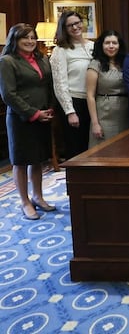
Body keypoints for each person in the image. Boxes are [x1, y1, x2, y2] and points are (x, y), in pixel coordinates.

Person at [0, 23, 56, 220]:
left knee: (38, 159)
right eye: (25, 37)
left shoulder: (41, 58)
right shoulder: (7, 61)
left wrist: (48, 109)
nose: (30, 41)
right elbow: (8, 94)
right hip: (20, 119)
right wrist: (33, 113)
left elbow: (48, 85)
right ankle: (25, 202)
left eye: (33, 37)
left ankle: (38, 197)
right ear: (14, 39)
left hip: (42, 116)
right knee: (21, 161)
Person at [50, 10, 94, 159]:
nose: (75, 27)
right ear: (64, 28)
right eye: (70, 25)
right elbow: (60, 84)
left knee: (93, 147)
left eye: (77, 23)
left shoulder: (93, 46)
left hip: (94, 102)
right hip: (75, 103)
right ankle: (77, 181)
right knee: (77, 149)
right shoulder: (60, 50)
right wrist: (70, 111)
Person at [86, 30, 129, 147]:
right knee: (105, 150)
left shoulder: (126, 63)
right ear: (101, 45)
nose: (111, 46)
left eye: (114, 43)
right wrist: (95, 123)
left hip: (125, 113)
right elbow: (90, 96)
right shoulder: (95, 64)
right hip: (105, 115)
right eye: (107, 43)